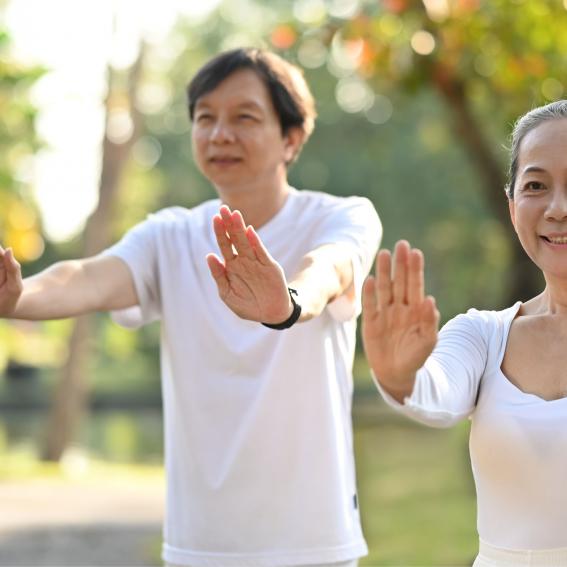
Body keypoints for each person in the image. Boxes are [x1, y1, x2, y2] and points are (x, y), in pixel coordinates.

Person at [0, 48, 381, 567]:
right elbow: (86, 277)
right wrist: (19, 298)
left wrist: (286, 303)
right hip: (201, 544)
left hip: (312, 540)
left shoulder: (341, 216)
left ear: (291, 138)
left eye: (243, 117)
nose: (220, 134)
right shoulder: (169, 235)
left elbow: (330, 268)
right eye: (206, 118)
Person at [362, 99, 567, 567]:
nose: (558, 208)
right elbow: (435, 393)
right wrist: (399, 375)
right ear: (512, 204)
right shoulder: (481, 335)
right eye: (537, 185)